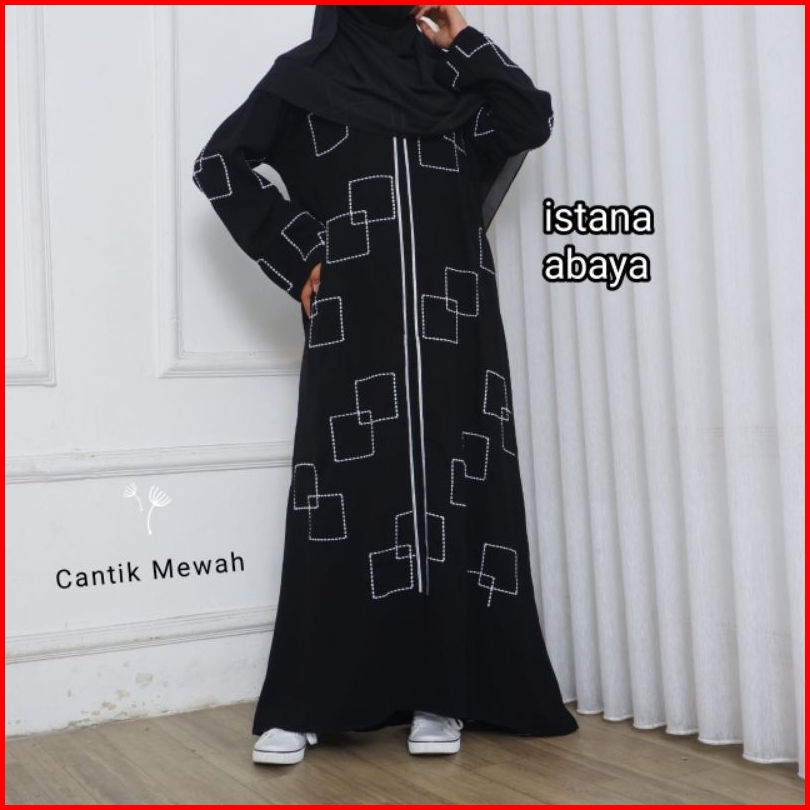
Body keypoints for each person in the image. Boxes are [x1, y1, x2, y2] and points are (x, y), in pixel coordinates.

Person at [193, 4, 578, 765]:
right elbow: (220, 164)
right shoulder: (304, 81)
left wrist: (463, 40)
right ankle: (307, 700)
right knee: (343, 499)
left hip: (454, 319)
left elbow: (527, 119)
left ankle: (442, 694)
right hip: (354, 319)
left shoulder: (450, 80)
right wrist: (301, 253)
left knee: (453, 490)